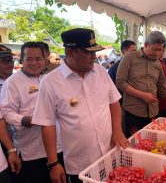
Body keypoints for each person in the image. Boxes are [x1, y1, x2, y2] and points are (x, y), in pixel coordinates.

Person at [32, 28, 129, 183]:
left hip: (109, 152)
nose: (93, 57)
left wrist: (117, 131)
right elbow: (47, 124)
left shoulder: (101, 72)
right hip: (81, 163)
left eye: (94, 52)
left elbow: (114, 102)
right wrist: (53, 163)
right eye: (88, 53)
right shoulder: (50, 82)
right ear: (70, 53)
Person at [0, 42, 63, 183]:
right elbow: (6, 112)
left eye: (38, 59)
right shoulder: (12, 83)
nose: (34, 63)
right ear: (21, 60)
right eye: (29, 59)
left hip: (57, 146)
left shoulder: (48, 80)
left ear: (45, 60)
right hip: (31, 151)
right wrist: (25, 120)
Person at [116, 31, 166, 138]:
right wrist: (142, 95)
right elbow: (120, 82)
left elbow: (163, 88)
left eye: (160, 50)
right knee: (134, 143)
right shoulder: (129, 58)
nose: (157, 53)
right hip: (133, 111)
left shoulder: (158, 63)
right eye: (154, 49)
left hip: (153, 112)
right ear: (146, 45)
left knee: (151, 142)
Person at [0, 45, 21, 183]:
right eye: (5, 60)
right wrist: (10, 149)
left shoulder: (16, 81)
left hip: (21, 139)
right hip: (5, 142)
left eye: (11, 59)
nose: (10, 63)